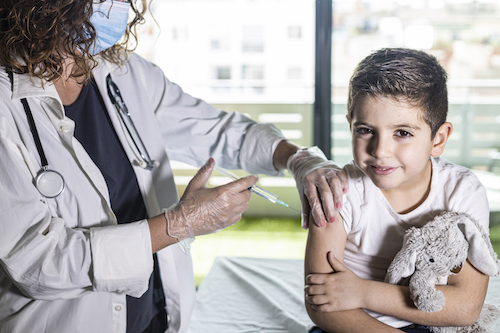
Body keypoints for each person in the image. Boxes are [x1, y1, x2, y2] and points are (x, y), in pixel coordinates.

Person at [0, 1, 347, 332]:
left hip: (157, 319)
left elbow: (218, 132)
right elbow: (38, 262)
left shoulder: (123, 72)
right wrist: (178, 224)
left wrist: (298, 158)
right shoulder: (6, 107)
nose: (124, 6)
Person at [303, 48, 492, 332]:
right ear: (350, 126)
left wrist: (362, 292)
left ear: (438, 139)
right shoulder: (338, 191)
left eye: (402, 133)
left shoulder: (463, 192)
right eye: (365, 130)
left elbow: (465, 309)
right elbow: (321, 304)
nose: (380, 151)